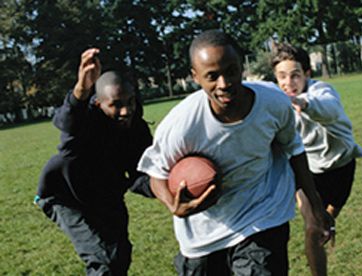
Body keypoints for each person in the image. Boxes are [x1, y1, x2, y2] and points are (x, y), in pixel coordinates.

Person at [137, 29, 333, 275]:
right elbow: (156, 172)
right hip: (203, 232)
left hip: (262, 216)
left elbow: (293, 149)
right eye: (212, 76)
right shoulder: (181, 124)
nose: (224, 83)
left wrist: (315, 205)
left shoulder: (273, 102)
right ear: (195, 77)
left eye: (231, 71)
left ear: (242, 66)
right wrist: (172, 204)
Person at [34, 48, 154, 275]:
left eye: (130, 102)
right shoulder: (83, 123)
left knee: (119, 255)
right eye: (116, 104)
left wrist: (165, 186)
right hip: (64, 196)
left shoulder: (136, 129)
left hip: (105, 195)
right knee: (104, 260)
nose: (126, 111)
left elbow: (140, 173)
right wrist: (81, 88)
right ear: (98, 104)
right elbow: (67, 119)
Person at [271, 43, 362, 275]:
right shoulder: (276, 103)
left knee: (327, 222)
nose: (288, 83)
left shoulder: (321, 90)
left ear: (307, 74)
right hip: (307, 173)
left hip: (341, 165)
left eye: (295, 75)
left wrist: (305, 104)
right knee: (313, 228)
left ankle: (328, 223)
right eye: (282, 77)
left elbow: (330, 109)